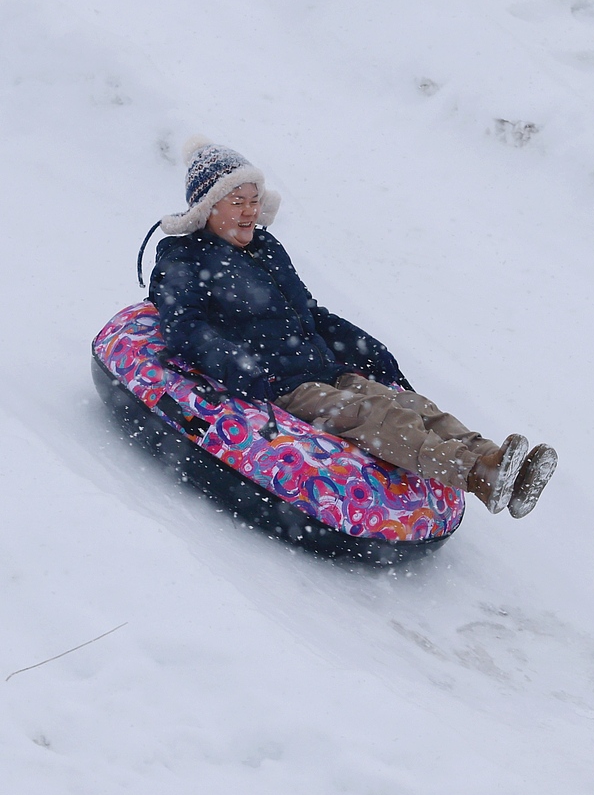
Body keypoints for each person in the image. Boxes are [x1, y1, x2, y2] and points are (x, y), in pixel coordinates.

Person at [146, 137, 557, 517]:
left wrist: (367, 349)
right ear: (208, 207)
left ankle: (500, 461)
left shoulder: (266, 248)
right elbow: (185, 327)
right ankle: (478, 476)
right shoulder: (184, 259)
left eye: (255, 200)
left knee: (416, 408)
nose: (251, 211)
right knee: (377, 417)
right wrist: (243, 367)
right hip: (280, 381)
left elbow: (310, 312)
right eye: (238, 201)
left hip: (321, 366)